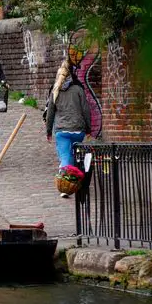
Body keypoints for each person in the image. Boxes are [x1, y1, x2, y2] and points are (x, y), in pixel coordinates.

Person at [45, 48, 91, 197]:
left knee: (65, 157)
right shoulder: (78, 89)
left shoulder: (55, 91)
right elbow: (86, 110)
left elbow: (50, 113)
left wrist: (48, 131)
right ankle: (79, 176)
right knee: (73, 154)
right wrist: (89, 128)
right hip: (78, 130)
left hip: (62, 131)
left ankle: (66, 187)